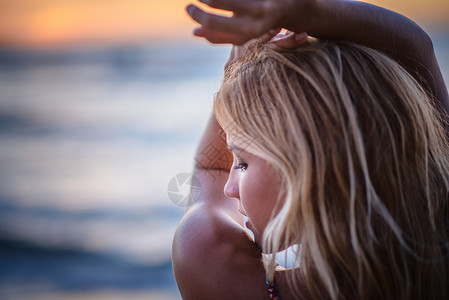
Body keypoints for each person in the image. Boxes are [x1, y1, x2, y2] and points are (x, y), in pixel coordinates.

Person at [172, 0, 449, 299]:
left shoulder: (237, 285)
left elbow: (210, 171)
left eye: (241, 163)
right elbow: (414, 48)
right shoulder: (439, 240)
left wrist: (235, 70)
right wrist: (309, 13)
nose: (229, 187)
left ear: (313, 169)